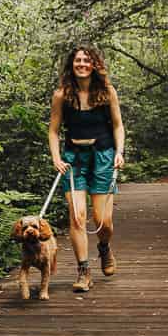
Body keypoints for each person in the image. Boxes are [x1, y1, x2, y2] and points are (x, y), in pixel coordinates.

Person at [48, 44, 125, 293]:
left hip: (103, 156)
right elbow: (53, 130)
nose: (81, 64)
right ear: (72, 65)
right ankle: (83, 271)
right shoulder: (62, 94)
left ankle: (104, 248)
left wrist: (119, 152)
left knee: (103, 221)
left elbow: (117, 126)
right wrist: (56, 157)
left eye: (86, 60)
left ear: (94, 65)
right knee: (77, 216)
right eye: (77, 60)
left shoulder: (107, 91)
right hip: (73, 160)